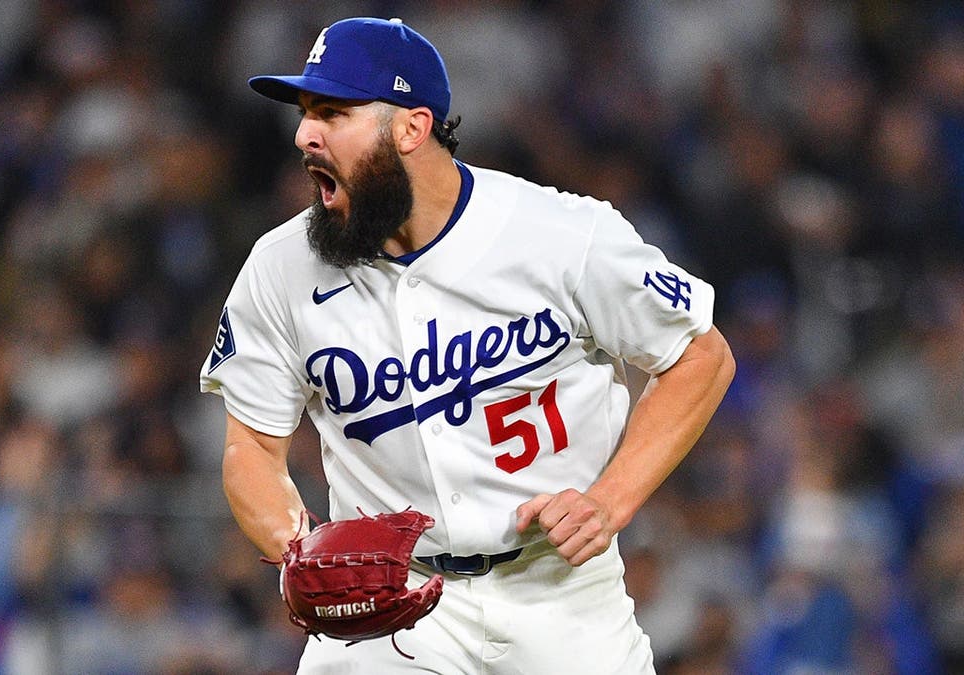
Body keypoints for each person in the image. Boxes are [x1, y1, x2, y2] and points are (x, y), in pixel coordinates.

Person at [200, 16, 735, 674]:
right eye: (307, 112)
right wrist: (299, 546)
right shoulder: (281, 267)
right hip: (390, 612)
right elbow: (251, 445)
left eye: (332, 112)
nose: (304, 133)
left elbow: (700, 355)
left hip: (561, 595)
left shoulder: (561, 234)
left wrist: (609, 498)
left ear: (411, 127)